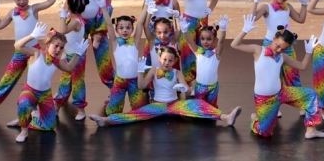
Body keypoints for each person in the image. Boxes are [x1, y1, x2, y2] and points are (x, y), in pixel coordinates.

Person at [88, 46, 242, 127]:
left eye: (170, 60)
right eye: (164, 59)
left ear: (174, 61)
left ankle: (226, 117)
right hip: (158, 106)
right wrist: (140, 72)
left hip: (174, 106)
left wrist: (184, 89)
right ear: (160, 59)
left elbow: (187, 90)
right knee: (136, 114)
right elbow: (141, 86)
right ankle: (107, 120)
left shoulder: (177, 72)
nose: (167, 63)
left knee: (198, 104)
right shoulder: (154, 70)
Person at [231, 14, 324, 139]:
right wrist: (244, 31)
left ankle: (311, 131)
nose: (278, 50)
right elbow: (235, 45)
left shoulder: (282, 57)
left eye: (282, 49)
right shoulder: (258, 50)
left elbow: (302, 66)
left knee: (311, 94)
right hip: (264, 99)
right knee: (265, 133)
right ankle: (255, 121)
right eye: (277, 46)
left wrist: (309, 52)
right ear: (273, 38)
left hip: (281, 92)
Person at [6, 22, 89, 142]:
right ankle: (24, 131)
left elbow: (69, 68)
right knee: (24, 103)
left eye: (61, 48)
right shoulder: (37, 53)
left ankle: (25, 120)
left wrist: (78, 54)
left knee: (49, 126)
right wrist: (32, 36)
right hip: (30, 90)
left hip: (45, 94)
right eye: (56, 46)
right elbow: (18, 46)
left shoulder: (57, 61)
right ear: (48, 43)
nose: (58, 50)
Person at [251, 0, 310, 117]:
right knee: (272, 77)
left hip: (287, 46)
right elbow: (252, 18)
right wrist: (255, 1)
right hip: (270, 46)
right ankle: (272, 105)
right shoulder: (267, 7)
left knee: (293, 76)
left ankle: (301, 105)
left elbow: (301, 19)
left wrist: (304, 4)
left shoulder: (288, 7)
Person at [92, 0, 149, 115]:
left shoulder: (135, 40)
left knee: (139, 112)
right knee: (112, 112)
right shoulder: (115, 42)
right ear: (117, 29)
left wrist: (147, 5)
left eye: (128, 27)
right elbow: (108, 24)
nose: (124, 30)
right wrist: (103, 8)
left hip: (134, 80)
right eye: (121, 28)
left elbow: (140, 23)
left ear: (132, 30)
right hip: (120, 81)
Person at [65, 0, 114, 90]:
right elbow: (67, 8)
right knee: (76, 61)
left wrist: (104, 8)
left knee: (105, 62)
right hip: (81, 26)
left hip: (99, 23)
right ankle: (66, 94)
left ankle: (114, 90)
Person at [175, 0, 219, 84]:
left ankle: (202, 79)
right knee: (187, 51)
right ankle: (187, 83)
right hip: (188, 22)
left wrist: (210, 8)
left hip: (202, 21)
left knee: (203, 49)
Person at [178, 15, 230, 108]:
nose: (205, 41)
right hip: (199, 87)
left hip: (213, 87)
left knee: (212, 108)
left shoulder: (216, 53)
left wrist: (223, 29)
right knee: (200, 108)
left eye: (209, 39)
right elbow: (190, 41)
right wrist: (185, 31)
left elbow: (221, 42)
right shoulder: (198, 52)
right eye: (202, 39)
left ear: (214, 40)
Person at [55, 0, 90, 120]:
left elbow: (63, 30)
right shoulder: (74, 19)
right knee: (64, 82)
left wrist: (62, 17)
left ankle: (81, 110)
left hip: (77, 56)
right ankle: (57, 106)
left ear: (69, 6)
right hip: (68, 55)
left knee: (77, 82)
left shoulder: (76, 21)